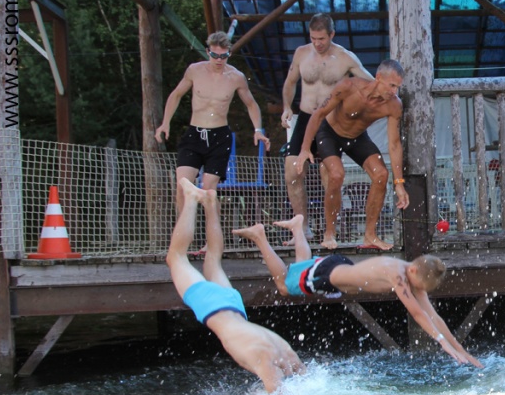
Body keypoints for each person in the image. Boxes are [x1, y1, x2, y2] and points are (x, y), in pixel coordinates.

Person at [233, 216, 483, 368]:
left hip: (336, 268)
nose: (418, 292)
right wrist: (441, 343)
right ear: (415, 271)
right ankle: (260, 237)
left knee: (301, 268)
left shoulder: (411, 272)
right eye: (419, 287)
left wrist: (462, 351)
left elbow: (433, 316)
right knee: (285, 286)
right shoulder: (397, 275)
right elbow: (418, 314)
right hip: (328, 276)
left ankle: (298, 228)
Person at [166, 178, 305, 392]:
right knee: (176, 257)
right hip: (217, 308)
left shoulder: (277, 347)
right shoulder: (275, 351)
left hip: (232, 306)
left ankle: (210, 203)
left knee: (213, 259)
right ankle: (192, 199)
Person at [298, 59, 409, 250]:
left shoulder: (393, 105)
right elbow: (318, 114)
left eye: (397, 87)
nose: (394, 91)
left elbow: (394, 144)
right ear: (378, 77)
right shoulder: (349, 87)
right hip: (329, 133)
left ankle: (370, 236)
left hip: (357, 137)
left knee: (381, 175)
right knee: (336, 174)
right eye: (392, 85)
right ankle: (329, 233)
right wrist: (305, 148)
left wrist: (399, 183)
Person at [280, 14, 373, 242]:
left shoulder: (345, 58)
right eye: (313, 38)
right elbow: (290, 82)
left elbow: (370, 84)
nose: (317, 43)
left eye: (321, 38)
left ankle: (331, 229)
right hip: (305, 117)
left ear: (332, 34)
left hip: (330, 121)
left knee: (329, 174)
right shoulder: (302, 53)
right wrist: (286, 107)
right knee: (292, 171)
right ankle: (302, 229)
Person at [155, 31, 271, 213]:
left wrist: (257, 130)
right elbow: (176, 95)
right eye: (215, 55)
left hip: (219, 137)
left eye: (223, 56)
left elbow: (251, 104)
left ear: (229, 54)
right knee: (183, 186)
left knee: (209, 191)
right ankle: (184, 230)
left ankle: (213, 232)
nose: (219, 60)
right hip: (195, 134)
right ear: (208, 52)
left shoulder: (236, 77)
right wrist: (165, 122)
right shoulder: (195, 71)